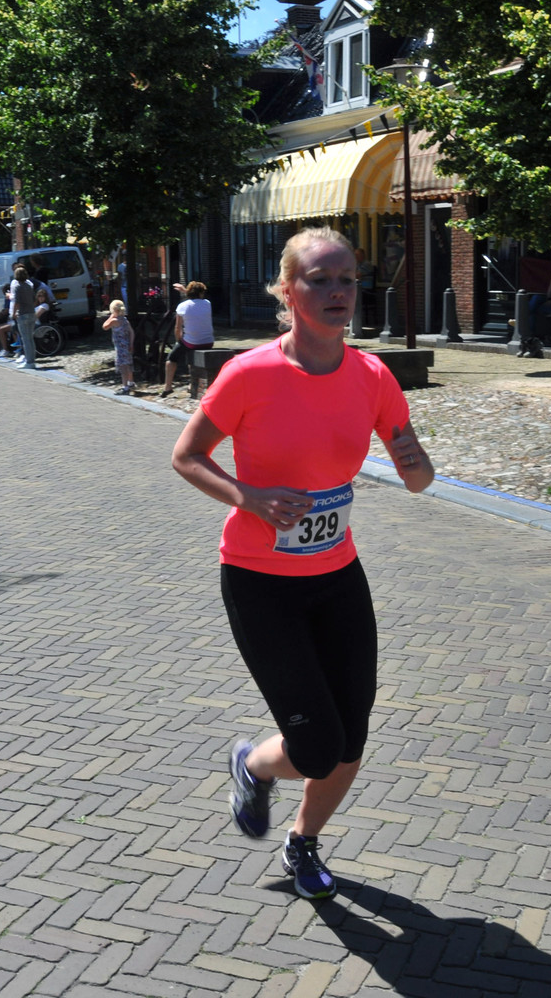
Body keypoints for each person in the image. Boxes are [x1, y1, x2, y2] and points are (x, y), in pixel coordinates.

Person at [171, 227, 434, 900]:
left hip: (337, 575)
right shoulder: (250, 374)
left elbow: (416, 472)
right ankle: (255, 765)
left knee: (351, 737)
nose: (337, 291)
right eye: (320, 280)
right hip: (261, 583)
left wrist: (416, 465)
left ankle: (302, 841)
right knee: (316, 745)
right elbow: (187, 456)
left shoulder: (372, 376)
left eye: (347, 279)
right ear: (288, 292)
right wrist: (249, 497)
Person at [160, 281, 214, 398]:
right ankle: (191, 384)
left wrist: (178, 340)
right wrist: (186, 291)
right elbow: (196, 300)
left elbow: (177, 327)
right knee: (190, 355)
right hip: (208, 341)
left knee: (171, 359)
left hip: (192, 343)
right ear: (201, 293)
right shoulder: (207, 303)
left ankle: (167, 387)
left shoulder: (182, 306)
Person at [103, 299, 135, 395]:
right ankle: (131, 382)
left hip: (120, 347)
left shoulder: (114, 321)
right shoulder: (125, 320)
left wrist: (111, 316)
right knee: (128, 364)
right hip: (127, 345)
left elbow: (104, 327)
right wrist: (131, 344)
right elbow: (132, 332)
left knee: (123, 367)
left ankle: (125, 387)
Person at [10, 266, 36, 369]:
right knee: (30, 338)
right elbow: (34, 300)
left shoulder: (18, 287)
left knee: (25, 339)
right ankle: (32, 360)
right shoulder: (29, 286)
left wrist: (13, 314)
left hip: (23, 314)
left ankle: (29, 362)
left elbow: (17, 302)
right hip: (31, 313)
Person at [354, 248, 377, 325]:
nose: (355, 257)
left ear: (363, 255)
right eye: (355, 255)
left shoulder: (366, 264)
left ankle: (355, 320)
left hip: (367, 289)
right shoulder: (357, 265)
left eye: (357, 255)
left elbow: (356, 275)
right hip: (360, 288)